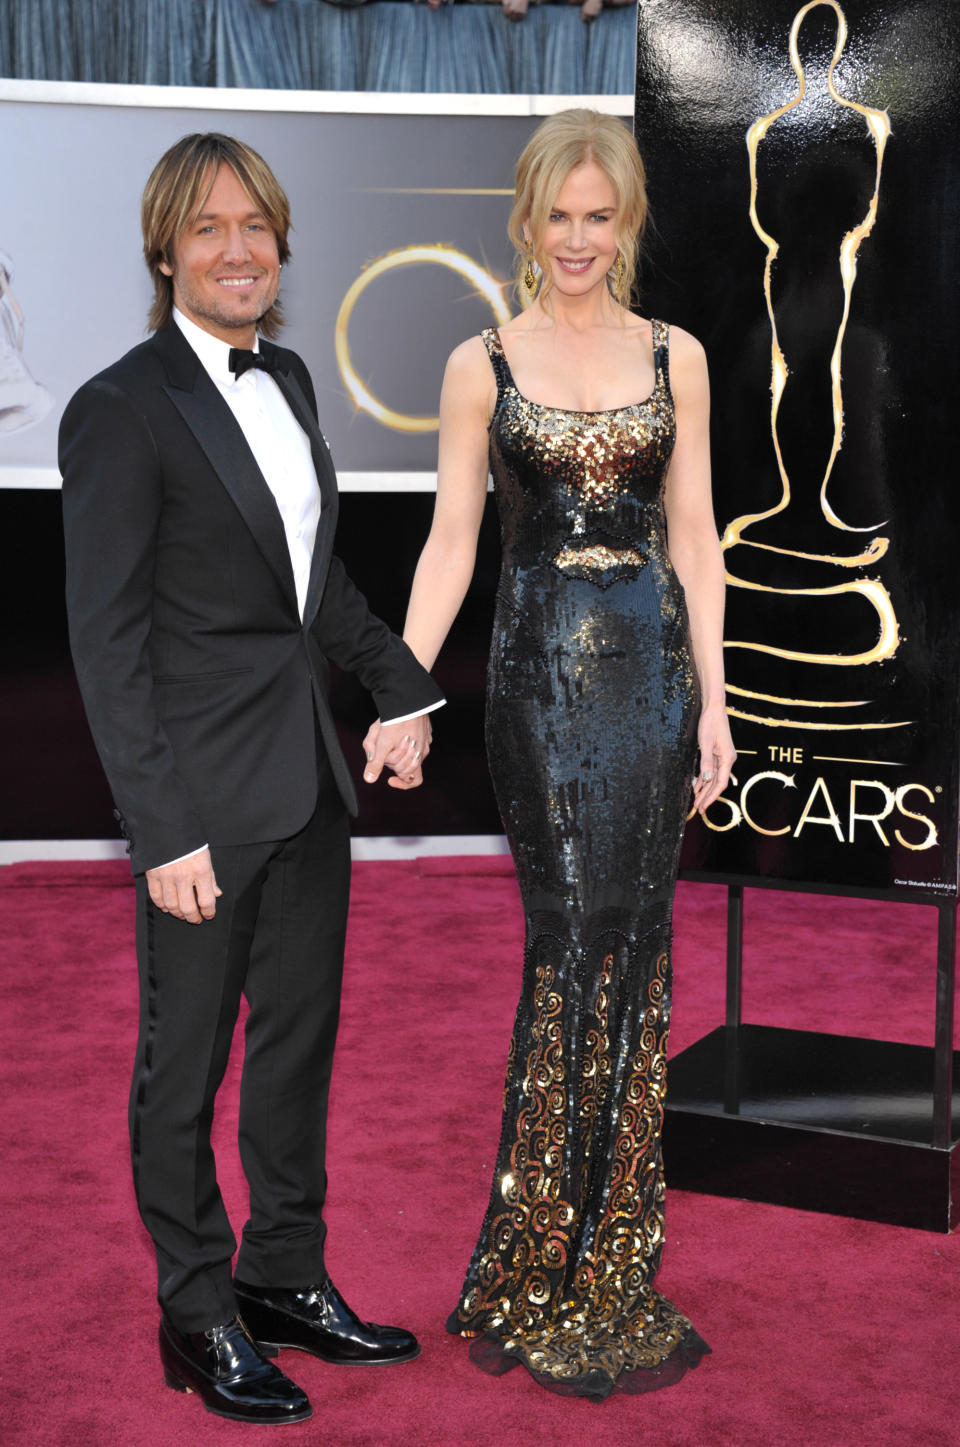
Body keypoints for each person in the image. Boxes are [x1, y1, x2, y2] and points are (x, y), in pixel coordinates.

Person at [59, 133, 444, 1426]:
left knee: (296, 1054)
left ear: (281, 245)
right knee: (185, 1070)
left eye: (258, 228)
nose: (238, 250)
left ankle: (285, 1275)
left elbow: (311, 594)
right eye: (211, 229)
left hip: (307, 787)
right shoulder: (118, 408)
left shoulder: (286, 377)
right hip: (199, 816)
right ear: (167, 248)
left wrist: (404, 682)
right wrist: (157, 826)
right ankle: (196, 1310)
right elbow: (107, 646)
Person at [394, 108, 736, 1400]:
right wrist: (405, 685)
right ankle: (542, 1244)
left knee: (637, 948)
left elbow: (697, 536)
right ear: (526, 220)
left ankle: (615, 1254)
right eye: (560, 216)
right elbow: (450, 543)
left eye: (603, 216)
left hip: (652, 681)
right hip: (538, 688)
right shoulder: (481, 361)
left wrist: (716, 699)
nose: (580, 239)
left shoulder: (678, 356)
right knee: (567, 947)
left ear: (627, 218)